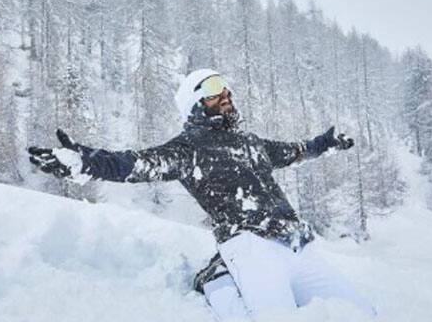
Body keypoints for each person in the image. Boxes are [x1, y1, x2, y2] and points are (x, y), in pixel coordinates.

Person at [28, 69, 376, 320]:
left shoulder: (250, 142)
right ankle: (219, 283)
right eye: (212, 91)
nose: (225, 96)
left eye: (226, 90)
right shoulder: (188, 149)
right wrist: (84, 162)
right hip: (250, 245)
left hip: (298, 243)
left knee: (363, 314)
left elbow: (294, 151)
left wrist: (324, 144)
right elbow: (134, 164)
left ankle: (224, 276)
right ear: (195, 104)